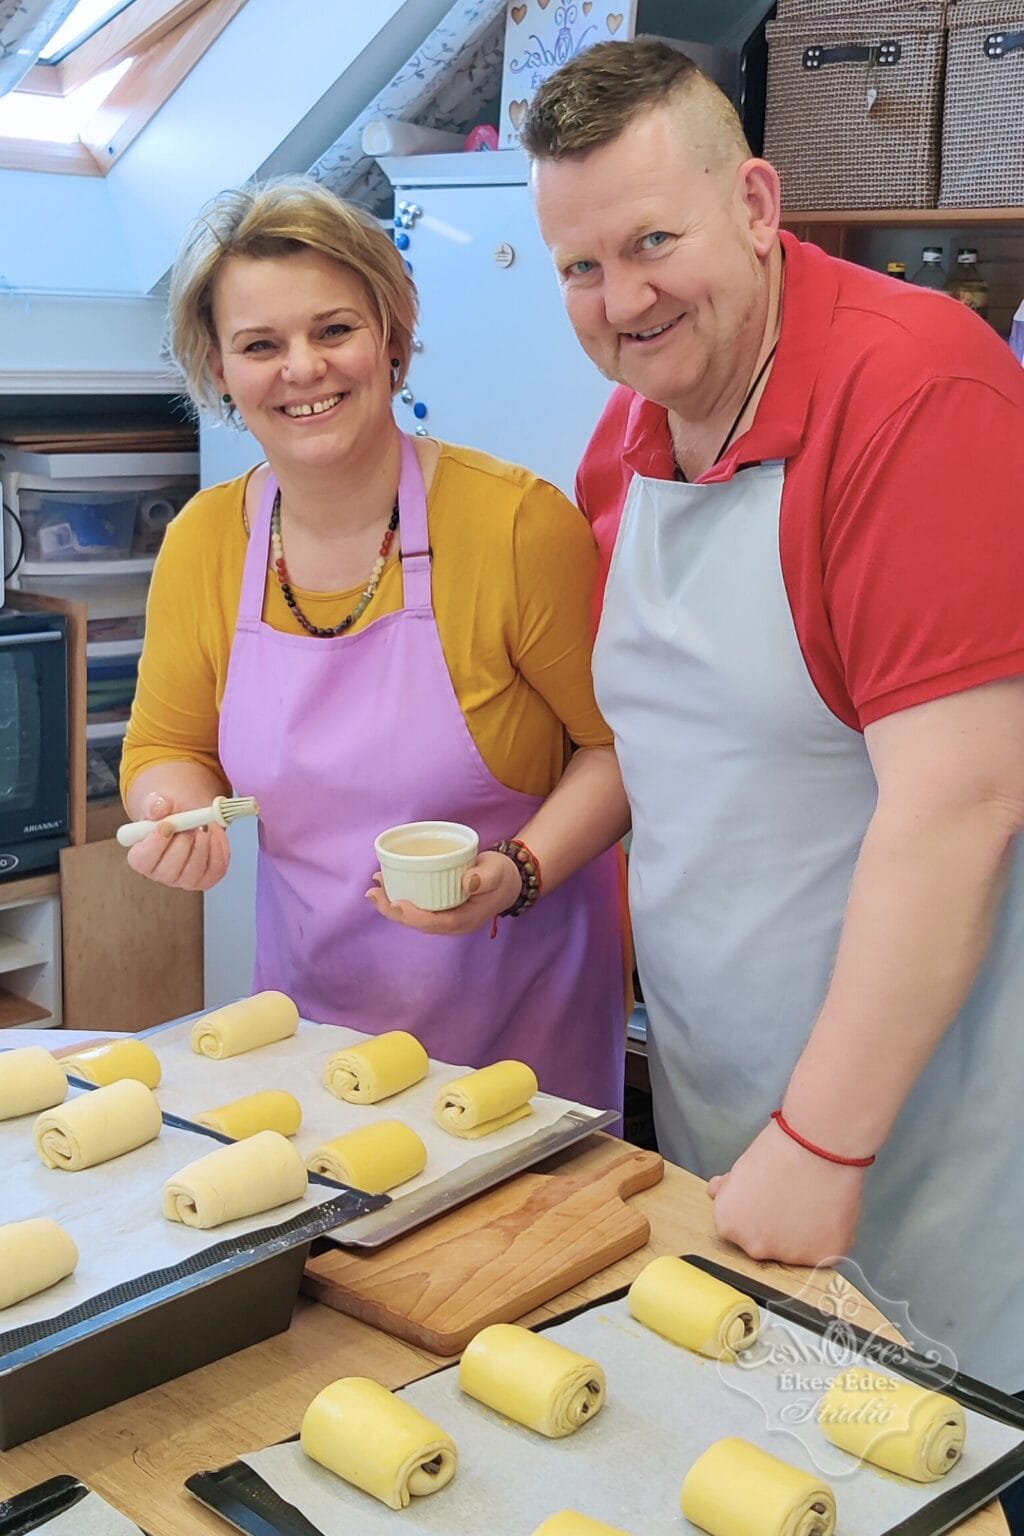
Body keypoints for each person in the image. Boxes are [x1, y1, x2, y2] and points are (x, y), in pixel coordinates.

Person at [522, 35, 1024, 1416]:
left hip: (907, 1130)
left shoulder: (918, 393)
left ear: (755, 205)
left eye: (652, 240)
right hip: (718, 1100)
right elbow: (672, 751)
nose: (621, 297)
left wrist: (826, 1138)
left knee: (934, 1456)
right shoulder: (625, 437)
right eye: (579, 265)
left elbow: (962, 808)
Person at [120, 175, 629, 1116]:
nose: (303, 368)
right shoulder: (205, 543)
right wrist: (171, 812)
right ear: (219, 369)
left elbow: (619, 751)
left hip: (520, 1049)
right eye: (260, 345)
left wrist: (515, 873)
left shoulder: (516, 525)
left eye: (334, 330)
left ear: (392, 339)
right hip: (312, 1044)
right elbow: (168, 750)